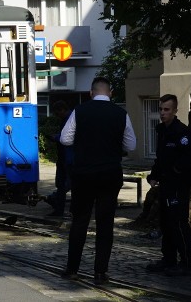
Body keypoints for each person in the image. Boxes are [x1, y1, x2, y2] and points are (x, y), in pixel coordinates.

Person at [59, 77, 136, 284]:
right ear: (110, 93)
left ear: (91, 93)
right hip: (110, 174)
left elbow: (65, 139)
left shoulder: (80, 111)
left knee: (80, 221)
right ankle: (101, 272)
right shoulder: (121, 114)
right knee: (105, 223)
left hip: (83, 174)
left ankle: (72, 268)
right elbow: (131, 145)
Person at [145, 94, 191, 276]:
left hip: (178, 185)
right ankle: (168, 259)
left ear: (175, 110)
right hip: (166, 184)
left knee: (178, 223)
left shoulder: (182, 132)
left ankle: (187, 263)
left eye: (166, 109)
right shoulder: (162, 130)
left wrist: (176, 170)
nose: (162, 113)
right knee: (166, 222)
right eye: (160, 109)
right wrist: (154, 175)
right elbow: (160, 158)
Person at [44, 100, 73, 216]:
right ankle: (59, 205)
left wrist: (56, 137)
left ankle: (59, 207)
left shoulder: (70, 120)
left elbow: (67, 138)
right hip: (66, 156)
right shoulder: (71, 118)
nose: (57, 117)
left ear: (62, 110)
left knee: (64, 184)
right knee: (64, 184)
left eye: (57, 114)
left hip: (67, 157)